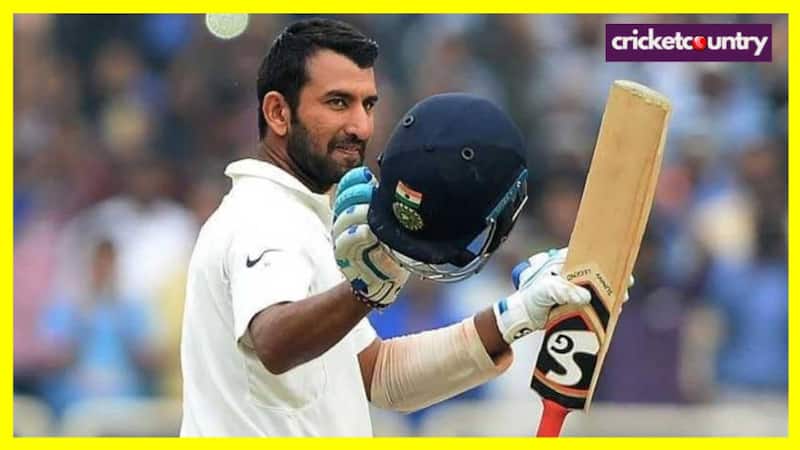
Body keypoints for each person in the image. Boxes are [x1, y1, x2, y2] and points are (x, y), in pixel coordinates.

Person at [180, 18, 591, 437]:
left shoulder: (304, 217)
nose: (361, 126)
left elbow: (380, 375)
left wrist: (515, 316)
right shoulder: (263, 213)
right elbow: (274, 341)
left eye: (368, 104)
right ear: (278, 113)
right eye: (338, 103)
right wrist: (364, 293)